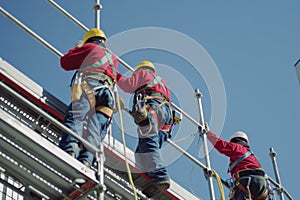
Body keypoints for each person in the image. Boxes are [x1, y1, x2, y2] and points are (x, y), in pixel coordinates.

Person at [59, 28, 118, 168]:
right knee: (95, 129)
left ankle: (70, 149)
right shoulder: (112, 57)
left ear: (89, 40)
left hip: (91, 86)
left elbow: (65, 63)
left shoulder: (89, 47)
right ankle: (87, 159)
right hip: (108, 95)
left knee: (76, 117)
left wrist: (77, 48)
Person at [116, 61, 174, 198]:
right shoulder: (162, 83)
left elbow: (128, 86)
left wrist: (115, 75)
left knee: (148, 141)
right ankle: (149, 179)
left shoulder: (143, 73)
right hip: (165, 117)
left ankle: (160, 176)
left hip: (153, 108)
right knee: (143, 150)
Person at [202, 127, 270, 200]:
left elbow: (221, 145)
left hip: (247, 182)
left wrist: (208, 134)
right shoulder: (253, 157)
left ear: (234, 141)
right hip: (262, 187)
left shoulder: (236, 147)